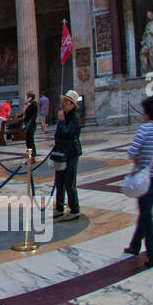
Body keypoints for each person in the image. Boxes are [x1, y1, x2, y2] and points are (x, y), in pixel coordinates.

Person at [124, 95, 153, 269]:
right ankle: (135, 245)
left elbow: (131, 152)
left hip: (145, 179)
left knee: (146, 214)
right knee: (145, 211)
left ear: (147, 114)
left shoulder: (143, 130)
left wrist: (138, 158)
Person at [52, 89, 83, 221]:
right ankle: (59, 207)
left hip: (71, 152)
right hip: (61, 151)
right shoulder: (64, 116)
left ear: (72, 104)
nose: (63, 103)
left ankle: (74, 209)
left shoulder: (75, 118)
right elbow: (57, 135)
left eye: (66, 101)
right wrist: (61, 123)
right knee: (59, 181)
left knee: (69, 181)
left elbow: (68, 134)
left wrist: (61, 122)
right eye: (63, 101)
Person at [21, 90, 39, 157]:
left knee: (30, 141)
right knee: (28, 141)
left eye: (27, 97)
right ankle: (30, 155)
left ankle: (32, 155)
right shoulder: (30, 104)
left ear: (30, 97)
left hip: (31, 125)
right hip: (29, 124)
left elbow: (28, 114)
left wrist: (26, 103)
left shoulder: (33, 104)